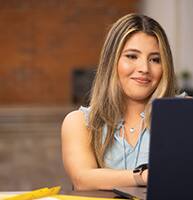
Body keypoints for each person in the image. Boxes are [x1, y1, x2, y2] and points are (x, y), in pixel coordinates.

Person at [61, 13, 178, 191]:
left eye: (155, 59)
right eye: (132, 56)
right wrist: (144, 175)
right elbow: (82, 178)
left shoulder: (184, 113)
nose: (144, 69)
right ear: (111, 61)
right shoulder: (79, 122)